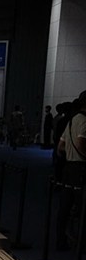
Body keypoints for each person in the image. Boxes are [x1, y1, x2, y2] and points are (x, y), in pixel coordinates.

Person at [55, 90, 86, 251]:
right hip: (81, 168)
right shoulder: (84, 121)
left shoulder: (72, 121)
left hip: (69, 168)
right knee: (82, 207)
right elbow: (81, 143)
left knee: (65, 206)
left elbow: (60, 146)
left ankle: (61, 240)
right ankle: (80, 243)